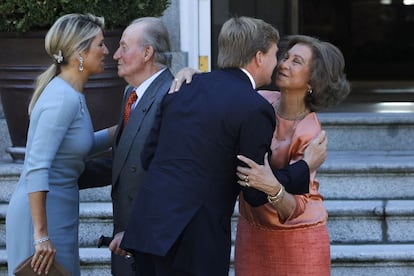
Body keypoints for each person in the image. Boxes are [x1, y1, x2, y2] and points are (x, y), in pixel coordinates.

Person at [111, 16, 327, 276]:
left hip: (148, 231)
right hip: (196, 243)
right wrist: (303, 168)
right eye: (274, 54)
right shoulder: (254, 107)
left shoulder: (183, 87)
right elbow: (255, 191)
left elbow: (148, 157)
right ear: (259, 57)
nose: (277, 62)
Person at [5, 13, 115, 275]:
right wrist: (41, 234)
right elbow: (36, 167)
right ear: (79, 52)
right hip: (41, 220)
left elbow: (80, 147)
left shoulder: (71, 93)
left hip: (59, 212)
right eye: (100, 44)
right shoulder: (61, 98)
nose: (107, 51)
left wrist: (129, 126)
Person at [234, 35, 350, 275]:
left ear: (313, 81)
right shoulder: (260, 100)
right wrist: (191, 76)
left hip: (298, 236)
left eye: (296, 61)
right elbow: (220, 96)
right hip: (252, 231)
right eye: (285, 57)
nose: (284, 64)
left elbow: (290, 209)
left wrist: (271, 186)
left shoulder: (310, 133)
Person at [78, 17, 175, 275]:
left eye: (124, 46)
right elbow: (124, 161)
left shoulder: (172, 95)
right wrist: (68, 175)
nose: (116, 54)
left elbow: (167, 177)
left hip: (150, 244)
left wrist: (137, 230)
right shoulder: (130, 94)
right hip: (127, 240)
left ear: (147, 53)